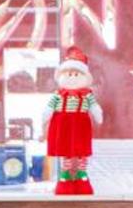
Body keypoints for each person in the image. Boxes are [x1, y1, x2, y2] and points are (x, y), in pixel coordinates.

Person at [43, 47, 103, 195]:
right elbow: (49, 108)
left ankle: (82, 173)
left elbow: (94, 107)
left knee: (82, 148)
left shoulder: (87, 95)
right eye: (69, 74)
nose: (72, 77)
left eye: (76, 74)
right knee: (65, 149)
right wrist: (45, 117)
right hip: (62, 124)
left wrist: (98, 115)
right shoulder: (58, 94)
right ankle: (66, 174)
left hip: (81, 124)